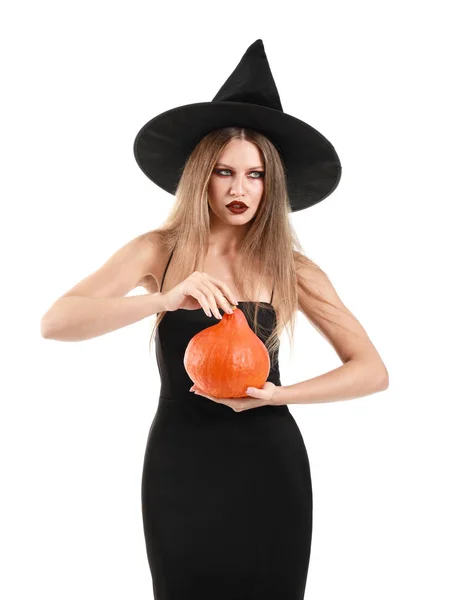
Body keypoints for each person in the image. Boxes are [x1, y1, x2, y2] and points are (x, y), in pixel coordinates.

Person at [41, 39, 389, 599]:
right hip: (182, 460)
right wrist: (163, 300)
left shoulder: (293, 268)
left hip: (269, 463)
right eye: (224, 172)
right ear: (202, 176)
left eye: (254, 176)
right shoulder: (158, 251)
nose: (238, 189)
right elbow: (57, 322)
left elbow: (372, 370)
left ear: (271, 184)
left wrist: (278, 396)